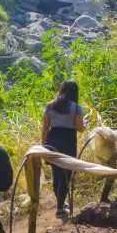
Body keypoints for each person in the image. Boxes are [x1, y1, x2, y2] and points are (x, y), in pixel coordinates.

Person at [42, 80, 85, 216]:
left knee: (56, 173)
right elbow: (80, 128)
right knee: (66, 175)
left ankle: (60, 203)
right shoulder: (76, 107)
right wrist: (84, 125)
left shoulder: (50, 106)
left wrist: (43, 145)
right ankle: (60, 209)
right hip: (68, 141)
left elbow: (45, 128)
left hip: (52, 140)